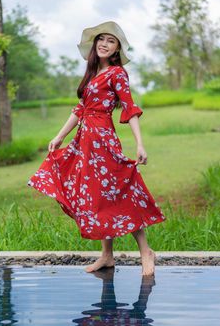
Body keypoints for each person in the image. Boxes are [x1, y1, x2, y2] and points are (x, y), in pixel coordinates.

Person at [27, 21, 166, 276]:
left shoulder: (117, 73)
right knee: (97, 195)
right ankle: (107, 256)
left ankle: (146, 251)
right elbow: (79, 110)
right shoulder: (92, 74)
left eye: (110, 41)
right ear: (95, 45)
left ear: (116, 50)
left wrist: (140, 144)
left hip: (103, 140)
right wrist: (59, 137)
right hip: (85, 142)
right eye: (101, 39)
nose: (104, 43)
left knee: (120, 191)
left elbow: (129, 108)